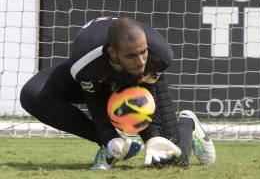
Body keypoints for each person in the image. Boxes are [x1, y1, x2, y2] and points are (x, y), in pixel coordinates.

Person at [20, 16, 215, 170]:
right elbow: (94, 100)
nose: (140, 62)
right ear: (113, 53)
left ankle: (187, 123)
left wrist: (154, 136)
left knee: (173, 161)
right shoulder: (85, 63)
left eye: (143, 52)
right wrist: (108, 136)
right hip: (98, 77)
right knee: (32, 95)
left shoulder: (159, 55)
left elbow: (146, 94)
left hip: (136, 84)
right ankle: (113, 146)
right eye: (131, 55)